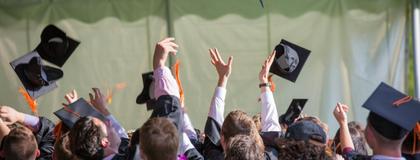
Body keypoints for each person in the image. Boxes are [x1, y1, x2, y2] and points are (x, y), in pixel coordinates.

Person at [202, 49, 279, 160]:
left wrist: (222, 79)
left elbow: (213, 130)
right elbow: (272, 131)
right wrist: (264, 81)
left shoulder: (213, 156)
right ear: (255, 135)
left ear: (222, 139)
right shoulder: (268, 157)